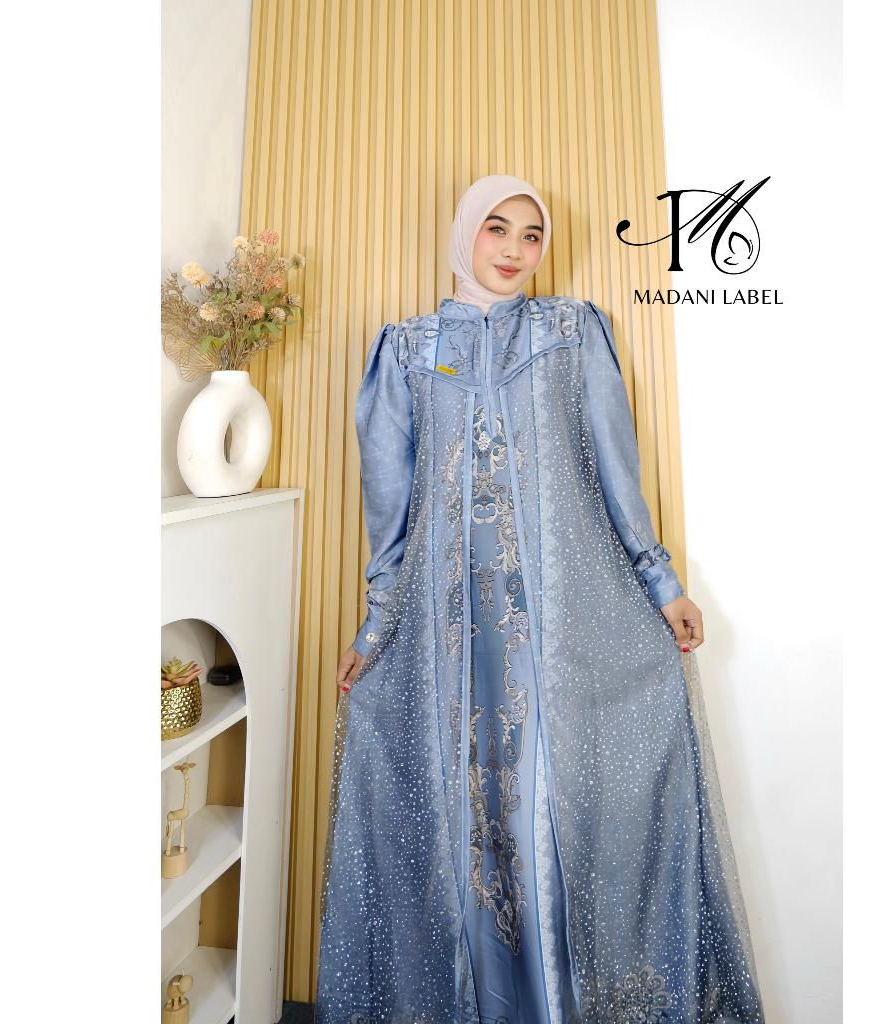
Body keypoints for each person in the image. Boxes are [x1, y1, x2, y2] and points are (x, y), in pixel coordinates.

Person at [316, 174, 765, 1024]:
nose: (516, 250)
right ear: (464, 234)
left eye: (532, 235)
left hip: (561, 629)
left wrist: (661, 582)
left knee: (547, 812)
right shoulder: (406, 351)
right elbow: (390, 511)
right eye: (498, 229)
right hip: (450, 636)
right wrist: (376, 628)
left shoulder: (571, 332)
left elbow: (616, 469)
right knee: (464, 815)